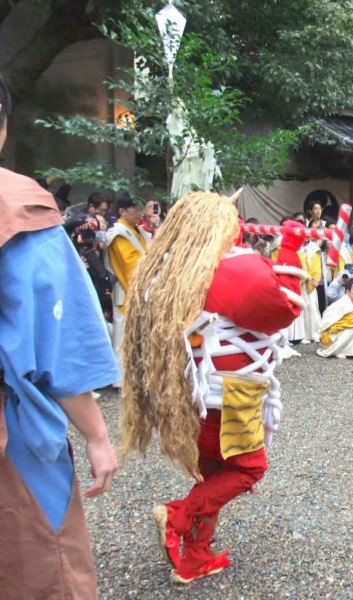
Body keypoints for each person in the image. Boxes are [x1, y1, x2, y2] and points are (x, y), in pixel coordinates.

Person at [121, 192, 307, 584]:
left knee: (212, 472)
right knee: (247, 468)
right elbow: (284, 307)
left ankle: (195, 557)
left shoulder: (167, 269)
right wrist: (289, 248)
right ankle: (178, 516)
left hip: (191, 392)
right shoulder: (232, 269)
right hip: (231, 395)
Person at [0, 72, 119, 598]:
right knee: (43, 569)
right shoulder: (19, 212)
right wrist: (97, 434)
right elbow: (57, 343)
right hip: (12, 443)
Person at [105, 193, 151, 385]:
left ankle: (139, 377)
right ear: (122, 211)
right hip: (128, 288)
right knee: (125, 337)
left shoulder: (138, 231)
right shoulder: (118, 234)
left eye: (140, 209)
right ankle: (123, 380)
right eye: (135, 210)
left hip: (143, 287)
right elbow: (132, 265)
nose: (139, 213)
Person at [317, 279, 353, 358]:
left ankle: (346, 350)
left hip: (337, 333)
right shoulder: (344, 304)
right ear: (347, 292)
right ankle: (340, 350)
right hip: (328, 337)